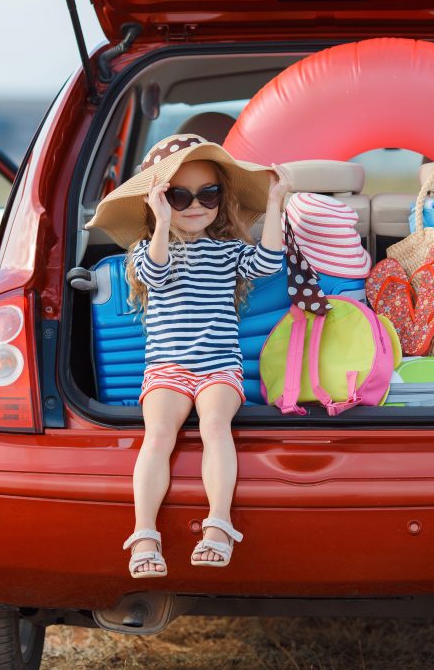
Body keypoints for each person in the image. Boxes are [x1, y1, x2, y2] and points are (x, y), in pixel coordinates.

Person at [85, 134, 290, 578]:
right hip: (168, 368)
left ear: (222, 198)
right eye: (179, 196)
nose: (195, 205)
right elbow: (155, 275)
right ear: (159, 201)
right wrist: (161, 223)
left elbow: (269, 263)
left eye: (208, 194)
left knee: (217, 426)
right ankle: (144, 533)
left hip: (219, 366)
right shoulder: (145, 251)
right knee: (158, 435)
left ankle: (218, 525)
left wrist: (275, 204)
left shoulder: (228, 251)